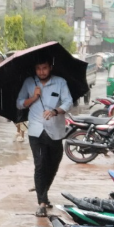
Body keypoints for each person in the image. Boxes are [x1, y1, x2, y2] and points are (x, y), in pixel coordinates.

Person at [17, 58, 72, 217]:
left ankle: (44, 193)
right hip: (36, 132)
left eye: (44, 68)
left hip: (55, 131)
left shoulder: (60, 82)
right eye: (38, 68)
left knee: (53, 164)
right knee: (40, 164)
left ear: (50, 67)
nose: (41, 71)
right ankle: (41, 202)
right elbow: (19, 103)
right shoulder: (29, 82)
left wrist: (55, 111)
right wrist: (33, 98)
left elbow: (68, 102)